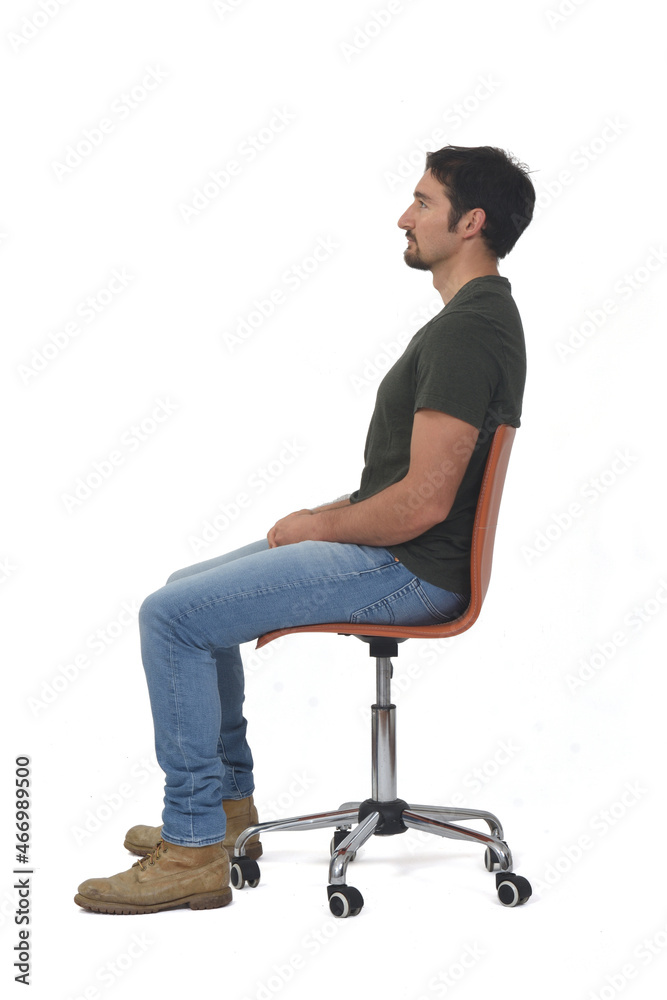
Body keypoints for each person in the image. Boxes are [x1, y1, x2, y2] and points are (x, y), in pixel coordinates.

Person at [74, 144, 536, 914]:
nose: (404, 216)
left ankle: (191, 849)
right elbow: (412, 489)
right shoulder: (473, 320)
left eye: (421, 202)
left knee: (172, 618)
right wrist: (326, 524)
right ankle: (224, 810)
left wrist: (321, 523)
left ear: (471, 222)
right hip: (399, 553)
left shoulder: (469, 330)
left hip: (410, 566)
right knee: (186, 595)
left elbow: (422, 501)